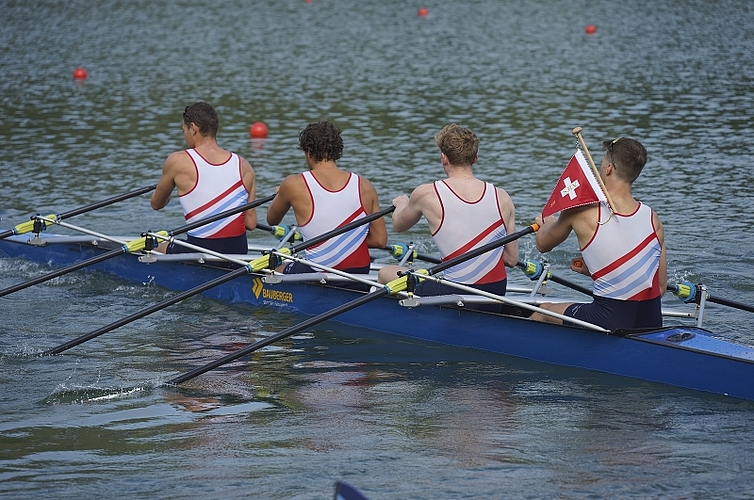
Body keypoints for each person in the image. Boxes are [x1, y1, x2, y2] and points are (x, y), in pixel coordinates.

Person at [531, 137, 667, 331]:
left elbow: (542, 244)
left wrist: (547, 224)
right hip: (651, 320)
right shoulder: (652, 218)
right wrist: (597, 269)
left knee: (543, 312)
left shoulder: (582, 210)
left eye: (603, 162)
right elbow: (660, 287)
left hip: (609, 320)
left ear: (609, 168)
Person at [377, 123, 518, 306]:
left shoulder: (427, 194)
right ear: (475, 158)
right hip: (497, 291)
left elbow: (399, 225)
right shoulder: (502, 197)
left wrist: (403, 203)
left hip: (456, 292)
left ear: (444, 158)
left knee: (385, 273)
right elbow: (511, 259)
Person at [266, 121, 387, 274]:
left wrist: (281, 194)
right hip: (359, 276)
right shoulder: (365, 186)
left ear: (309, 152)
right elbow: (380, 241)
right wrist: (345, 244)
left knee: (272, 269)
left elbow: (272, 220)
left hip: (319, 275)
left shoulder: (293, 184)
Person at [151, 102, 257, 255]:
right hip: (238, 255)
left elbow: (156, 204)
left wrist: (166, 193)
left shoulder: (177, 161)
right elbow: (251, 224)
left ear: (193, 128)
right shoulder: (244, 166)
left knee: (154, 246)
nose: (184, 136)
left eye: (184, 130)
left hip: (199, 253)